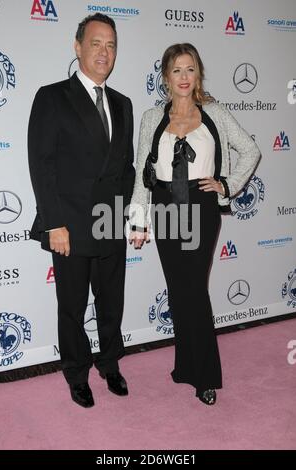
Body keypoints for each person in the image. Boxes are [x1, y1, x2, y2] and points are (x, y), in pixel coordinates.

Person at [129, 43, 260, 405]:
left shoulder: (214, 113)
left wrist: (227, 185)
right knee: (178, 289)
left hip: (201, 207)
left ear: (197, 74)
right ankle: (184, 366)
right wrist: (138, 218)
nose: (184, 77)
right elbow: (143, 172)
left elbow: (250, 149)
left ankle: (205, 376)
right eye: (176, 70)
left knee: (194, 291)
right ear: (166, 77)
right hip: (165, 206)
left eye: (190, 70)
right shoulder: (152, 118)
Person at [28, 13, 135, 408]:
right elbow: (42, 165)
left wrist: (127, 212)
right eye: (96, 43)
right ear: (77, 47)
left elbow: (127, 168)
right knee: (72, 307)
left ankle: (110, 363)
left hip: (110, 224)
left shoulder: (123, 104)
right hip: (69, 226)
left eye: (111, 45)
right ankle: (76, 372)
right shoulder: (52, 96)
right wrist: (54, 223)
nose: (104, 52)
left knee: (112, 303)